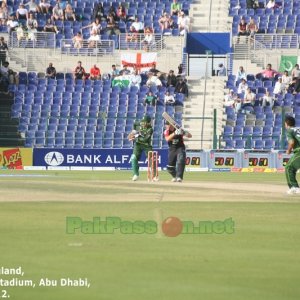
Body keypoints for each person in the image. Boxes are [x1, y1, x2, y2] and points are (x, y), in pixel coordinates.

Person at [128, 115, 158, 181]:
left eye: (147, 122)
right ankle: (135, 174)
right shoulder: (138, 124)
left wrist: (136, 136)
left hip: (146, 145)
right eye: (144, 122)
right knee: (133, 157)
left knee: (152, 159)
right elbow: (134, 126)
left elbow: (145, 139)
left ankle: (154, 176)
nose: (145, 124)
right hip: (138, 145)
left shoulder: (150, 129)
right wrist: (132, 134)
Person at [284, 115, 300, 194]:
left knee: (289, 167)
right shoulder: (298, 129)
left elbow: (292, 142)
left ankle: (294, 188)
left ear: (286, 124)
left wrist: (288, 150)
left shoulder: (290, 130)